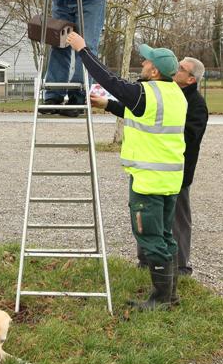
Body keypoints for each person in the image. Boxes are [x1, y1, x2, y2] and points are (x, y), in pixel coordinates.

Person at [66, 31, 187, 310]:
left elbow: (110, 81)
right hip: (169, 179)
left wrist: (83, 50)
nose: (142, 64)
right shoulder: (173, 95)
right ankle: (171, 295)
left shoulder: (145, 92)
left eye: (145, 62)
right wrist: (107, 105)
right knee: (165, 235)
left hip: (148, 181)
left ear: (154, 71)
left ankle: (160, 300)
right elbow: (138, 112)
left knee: (150, 238)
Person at [136, 57, 209, 276]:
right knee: (148, 214)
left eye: (181, 69)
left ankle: (180, 266)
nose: (176, 70)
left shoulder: (196, 104)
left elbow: (188, 139)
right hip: (154, 168)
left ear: (191, 79)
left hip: (177, 173)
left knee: (177, 220)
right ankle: (146, 261)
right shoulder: (166, 92)